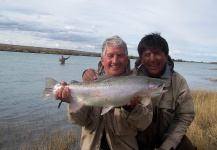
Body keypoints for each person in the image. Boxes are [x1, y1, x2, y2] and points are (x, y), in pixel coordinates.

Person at [82, 33, 196, 150]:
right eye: (147, 54)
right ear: (141, 58)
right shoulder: (131, 76)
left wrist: (167, 146)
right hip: (138, 137)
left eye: (157, 53)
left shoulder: (178, 81)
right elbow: (111, 75)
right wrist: (88, 73)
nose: (152, 59)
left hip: (165, 135)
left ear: (166, 56)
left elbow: (185, 116)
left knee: (186, 147)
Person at [54, 35, 153, 150]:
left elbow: (143, 124)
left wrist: (132, 109)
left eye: (120, 56)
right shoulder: (90, 82)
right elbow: (80, 121)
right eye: (110, 56)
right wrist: (71, 100)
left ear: (126, 60)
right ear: (103, 60)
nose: (115, 61)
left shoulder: (138, 84)